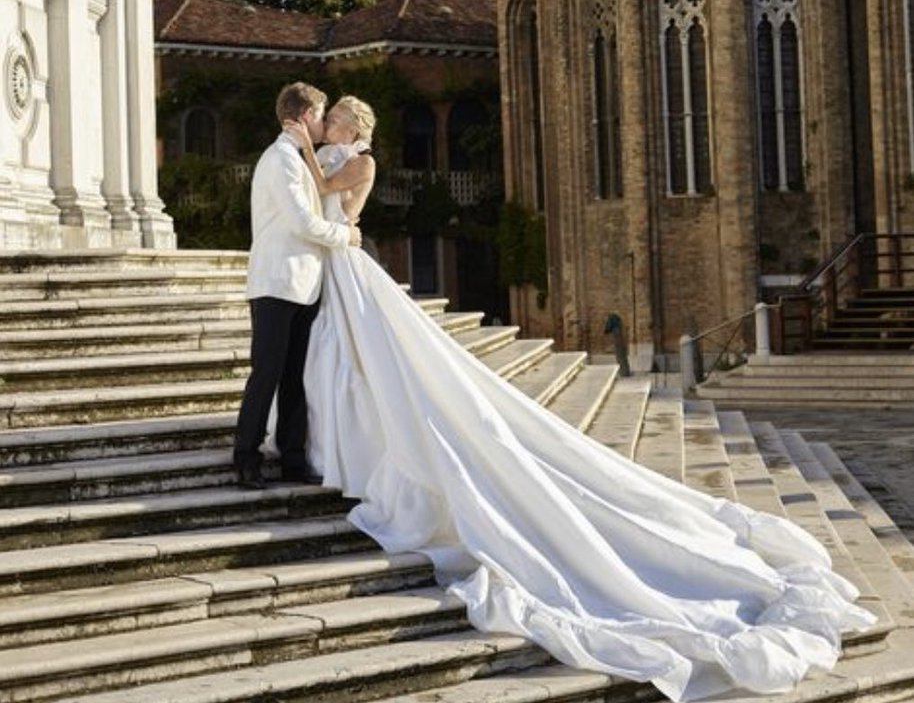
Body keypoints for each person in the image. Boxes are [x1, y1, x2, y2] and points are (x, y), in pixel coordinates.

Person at [285, 95, 875, 703]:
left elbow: (324, 185)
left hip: (344, 259)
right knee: (344, 359)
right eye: (324, 117)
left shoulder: (359, 160)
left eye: (335, 118)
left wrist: (300, 145)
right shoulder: (333, 151)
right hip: (331, 262)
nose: (328, 123)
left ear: (355, 124)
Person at [233, 82, 361, 490]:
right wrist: (346, 237)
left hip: (305, 285)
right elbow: (301, 223)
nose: (325, 123)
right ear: (306, 115)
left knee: (295, 379)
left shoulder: (302, 159)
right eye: (322, 114)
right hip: (276, 283)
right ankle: (245, 458)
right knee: (266, 374)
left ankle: (292, 459)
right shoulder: (280, 160)